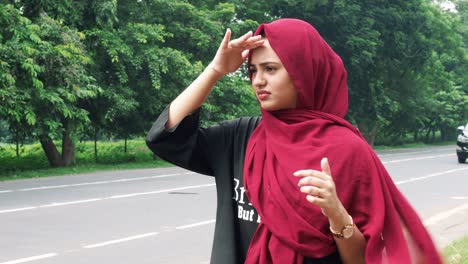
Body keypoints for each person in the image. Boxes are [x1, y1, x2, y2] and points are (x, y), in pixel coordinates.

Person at [146, 18, 442, 264]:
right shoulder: (241, 136)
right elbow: (166, 138)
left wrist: (336, 213)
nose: (258, 80)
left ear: (303, 72)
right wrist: (216, 70)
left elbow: (362, 259)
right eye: (252, 71)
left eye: (271, 69)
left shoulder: (348, 150)